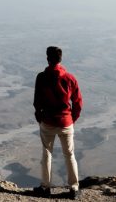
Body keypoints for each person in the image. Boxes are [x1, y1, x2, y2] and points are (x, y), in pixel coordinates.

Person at [33, 46, 83, 199]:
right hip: (66, 123)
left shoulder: (41, 77)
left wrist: (40, 117)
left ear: (47, 59)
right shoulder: (70, 78)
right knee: (70, 155)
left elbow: (37, 102)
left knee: (46, 154)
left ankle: (45, 187)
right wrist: (71, 119)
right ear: (61, 59)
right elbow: (78, 103)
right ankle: (73, 188)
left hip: (47, 122)